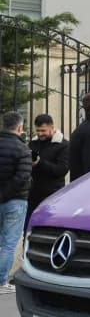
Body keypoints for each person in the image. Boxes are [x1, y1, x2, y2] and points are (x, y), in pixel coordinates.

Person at [0, 111, 32, 293]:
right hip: (15, 200)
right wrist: (5, 194)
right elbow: (22, 177)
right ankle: (2, 281)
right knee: (9, 242)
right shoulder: (22, 149)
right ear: (20, 127)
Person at [28, 114, 70, 226]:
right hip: (33, 194)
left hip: (52, 195)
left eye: (43, 130)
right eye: (37, 130)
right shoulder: (33, 143)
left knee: (49, 228)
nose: (40, 134)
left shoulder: (63, 145)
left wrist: (39, 163)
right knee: (29, 229)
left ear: (52, 127)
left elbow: (61, 170)